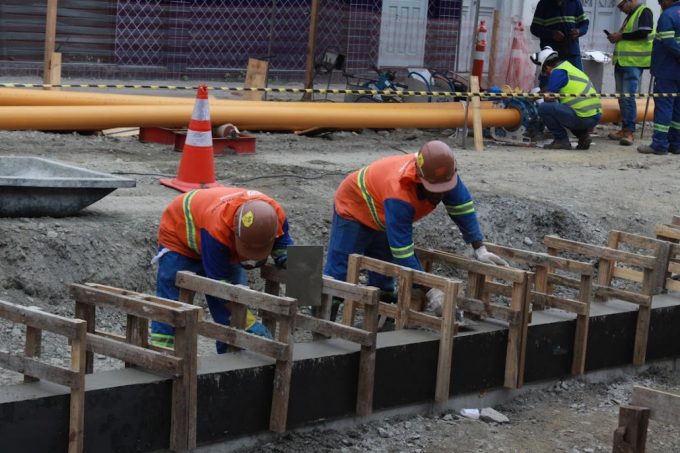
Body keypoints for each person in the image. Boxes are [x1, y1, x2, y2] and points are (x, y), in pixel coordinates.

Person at [323, 140, 508, 318]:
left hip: (382, 211)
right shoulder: (399, 194)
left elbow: (462, 208)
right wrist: (431, 290)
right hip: (354, 206)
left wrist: (479, 248)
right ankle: (323, 321)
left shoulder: (443, 174)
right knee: (341, 269)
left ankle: (382, 320)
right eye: (434, 189)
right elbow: (403, 253)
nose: (440, 194)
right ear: (419, 179)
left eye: (444, 189)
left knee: (383, 272)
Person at [150, 186, 293, 351]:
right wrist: (249, 322)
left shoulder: (276, 216)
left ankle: (230, 358)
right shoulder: (218, 229)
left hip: (215, 232)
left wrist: (303, 274)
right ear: (235, 233)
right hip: (178, 234)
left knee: (234, 309)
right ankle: (162, 355)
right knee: (172, 305)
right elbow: (219, 285)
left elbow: (284, 247)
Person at [532, 46, 602, 150]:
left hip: (582, 117)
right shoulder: (569, 68)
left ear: (546, 67)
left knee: (544, 108)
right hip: (595, 116)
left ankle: (561, 140)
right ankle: (583, 136)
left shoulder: (557, 72)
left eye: (544, 71)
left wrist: (535, 98)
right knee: (566, 110)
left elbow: (548, 98)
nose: (546, 74)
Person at [607, 0, 655, 146]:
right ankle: (624, 129)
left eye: (622, 6)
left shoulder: (644, 12)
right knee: (622, 97)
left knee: (628, 97)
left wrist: (621, 36)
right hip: (623, 61)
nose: (621, 10)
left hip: (633, 62)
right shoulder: (631, 15)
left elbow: (644, 31)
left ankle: (629, 132)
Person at [638, 0, 680, 155]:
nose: (659, 3)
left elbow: (668, 41)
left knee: (664, 106)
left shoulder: (668, 15)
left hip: (667, 70)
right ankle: (676, 144)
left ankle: (660, 144)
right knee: (678, 108)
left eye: (661, 0)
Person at [531, 0, 589, 76]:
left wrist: (579, 31)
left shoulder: (575, 2)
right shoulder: (543, 4)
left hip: (572, 53)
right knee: (549, 84)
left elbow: (584, 23)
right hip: (551, 56)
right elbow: (535, 28)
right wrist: (551, 34)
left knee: (577, 79)